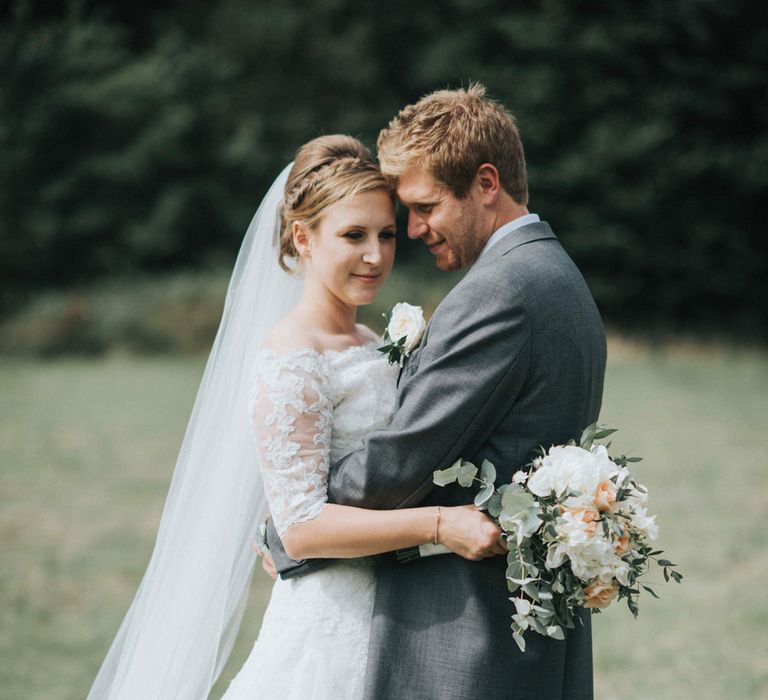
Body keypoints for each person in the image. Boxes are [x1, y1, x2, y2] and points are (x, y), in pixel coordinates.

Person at [87, 134, 502, 700]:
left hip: (397, 612)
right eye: (353, 236)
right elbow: (302, 530)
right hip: (329, 622)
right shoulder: (292, 358)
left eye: (385, 234)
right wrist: (438, 525)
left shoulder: (371, 339)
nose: (376, 255)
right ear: (304, 239)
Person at [264, 85, 607, 699]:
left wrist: (289, 528)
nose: (414, 229)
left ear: (485, 182)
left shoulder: (502, 291)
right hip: (522, 624)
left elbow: (405, 458)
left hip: (468, 632)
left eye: (423, 208)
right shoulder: (559, 273)